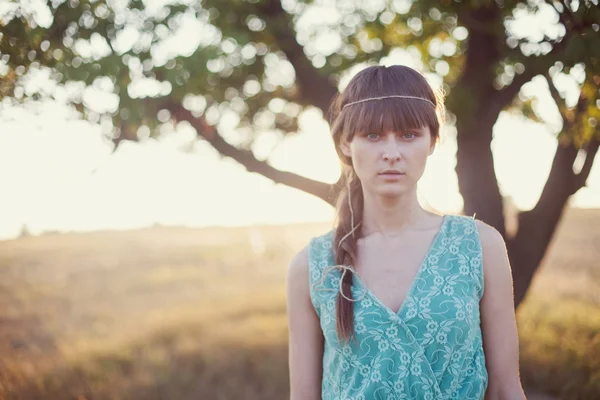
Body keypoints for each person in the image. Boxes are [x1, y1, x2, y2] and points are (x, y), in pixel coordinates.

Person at [286, 65, 526, 400]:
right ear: (345, 144)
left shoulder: (480, 246)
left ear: (432, 141)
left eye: (409, 135)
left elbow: (504, 390)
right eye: (373, 135)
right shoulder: (312, 267)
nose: (392, 153)